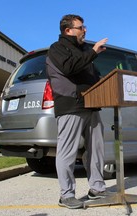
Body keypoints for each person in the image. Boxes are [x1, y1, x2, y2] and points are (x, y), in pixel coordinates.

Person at [46, 14, 110, 209]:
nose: (85, 30)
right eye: (81, 27)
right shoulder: (58, 49)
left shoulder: (83, 51)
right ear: (68, 30)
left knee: (96, 150)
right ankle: (66, 195)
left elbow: (92, 76)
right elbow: (70, 68)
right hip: (70, 105)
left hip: (91, 105)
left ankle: (96, 189)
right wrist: (92, 52)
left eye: (84, 27)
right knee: (67, 152)